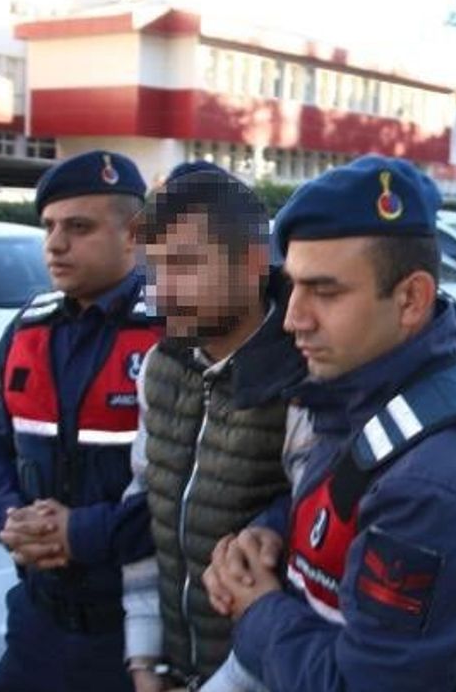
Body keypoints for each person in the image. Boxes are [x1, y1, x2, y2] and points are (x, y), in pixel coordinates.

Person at [197, 155, 456, 692]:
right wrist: (273, 531)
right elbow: (346, 489)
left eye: (325, 292)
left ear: (411, 299)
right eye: (293, 286)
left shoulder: (434, 486)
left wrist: (257, 610)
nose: (293, 318)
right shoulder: (375, 378)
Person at [0, 150, 160, 692]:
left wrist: (80, 533)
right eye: (49, 227)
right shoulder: (27, 330)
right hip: (39, 620)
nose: (55, 244)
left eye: (78, 228)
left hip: (137, 634)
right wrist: (8, 516)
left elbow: (202, 490)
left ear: (133, 235)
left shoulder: (176, 334)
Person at [121, 163, 307, 691]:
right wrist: (144, 658)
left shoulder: (304, 380)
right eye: (155, 268)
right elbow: (147, 509)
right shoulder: (160, 368)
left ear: (251, 263)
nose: (163, 291)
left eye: (183, 264)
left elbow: (315, 572)